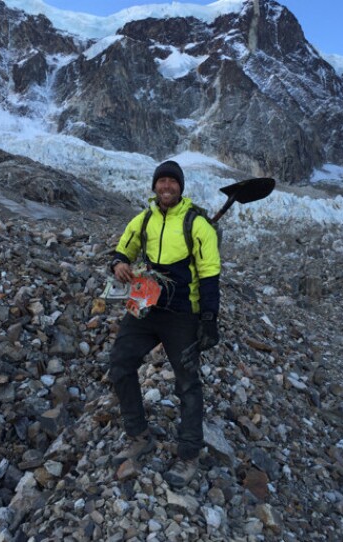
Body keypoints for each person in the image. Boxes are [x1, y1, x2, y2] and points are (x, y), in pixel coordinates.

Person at [107, 160, 220, 489]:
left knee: (187, 383)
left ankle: (188, 454)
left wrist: (209, 319)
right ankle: (139, 434)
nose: (166, 187)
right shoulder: (144, 219)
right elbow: (121, 250)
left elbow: (211, 273)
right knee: (120, 364)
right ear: (155, 186)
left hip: (183, 312)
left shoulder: (196, 223)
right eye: (162, 182)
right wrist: (118, 265)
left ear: (180, 187)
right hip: (145, 302)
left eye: (172, 182)